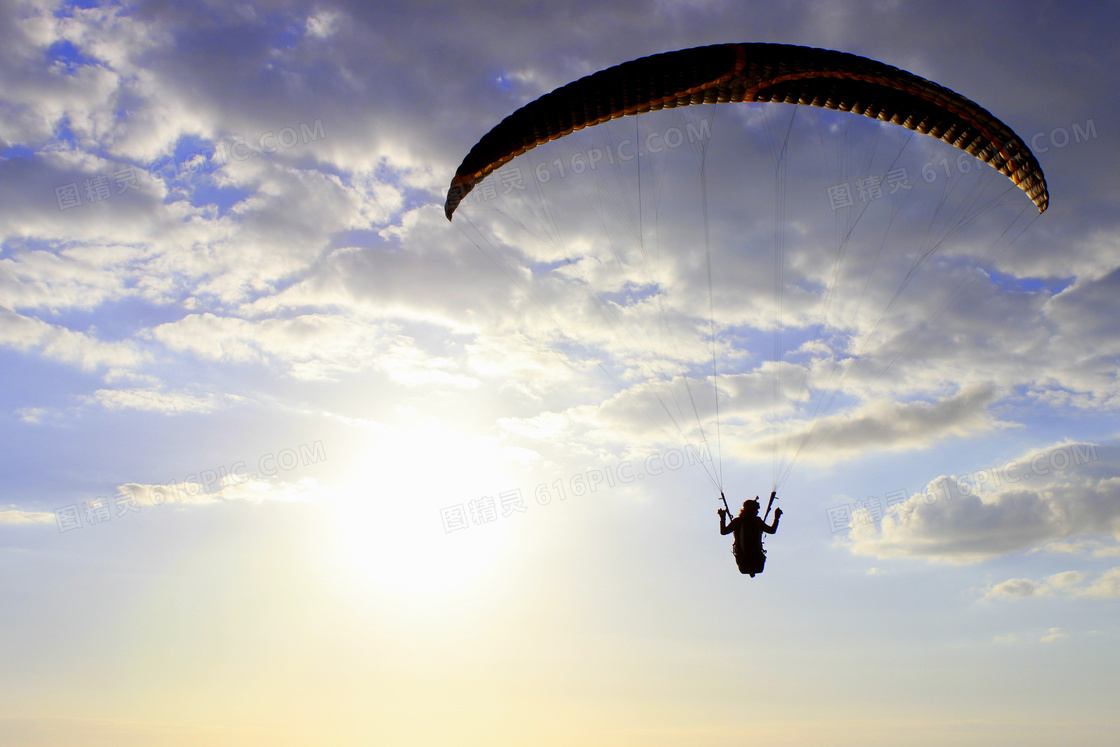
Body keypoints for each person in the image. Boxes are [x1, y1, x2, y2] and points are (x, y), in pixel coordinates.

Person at [719, 491, 782, 577]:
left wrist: (722, 517)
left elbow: (724, 531)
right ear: (750, 510)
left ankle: (751, 570)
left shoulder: (738, 521)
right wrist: (776, 518)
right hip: (756, 564)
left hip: (745, 564)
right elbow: (772, 530)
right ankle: (752, 570)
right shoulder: (756, 521)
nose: (757, 512)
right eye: (756, 510)